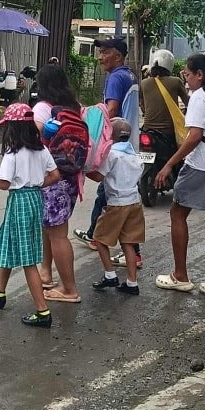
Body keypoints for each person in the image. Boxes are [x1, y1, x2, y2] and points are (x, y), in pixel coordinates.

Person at [154, 53, 205, 301]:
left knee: (178, 214)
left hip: (202, 164)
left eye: (187, 74)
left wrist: (169, 164)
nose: (186, 79)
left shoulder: (200, 97)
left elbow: (194, 136)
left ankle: (180, 275)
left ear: (200, 75)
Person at [0, 102, 60, 328]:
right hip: (34, 199)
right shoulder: (41, 149)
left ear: (13, 129)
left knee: (28, 260)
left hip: (19, 200)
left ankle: (42, 311)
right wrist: (37, 184)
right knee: (9, 244)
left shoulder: (12, 154)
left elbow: (4, 183)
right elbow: (55, 175)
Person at [73, 37, 141, 262]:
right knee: (110, 193)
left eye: (105, 53)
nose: (100, 57)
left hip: (117, 143)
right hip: (129, 141)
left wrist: (91, 138)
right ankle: (95, 234)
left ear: (118, 56)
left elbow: (110, 111)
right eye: (100, 53)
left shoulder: (115, 77)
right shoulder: (130, 75)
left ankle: (130, 251)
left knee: (111, 194)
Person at [32, 64, 81, 304]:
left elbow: (33, 141)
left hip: (51, 178)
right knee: (51, 229)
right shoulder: (74, 108)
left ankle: (69, 289)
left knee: (58, 235)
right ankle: (46, 273)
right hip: (70, 177)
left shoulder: (42, 108)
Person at [87, 118, 145, 295]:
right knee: (128, 242)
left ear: (110, 135)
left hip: (117, 204)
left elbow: (99, 176)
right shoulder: (135, 155)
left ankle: (110, 275)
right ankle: (132, 282)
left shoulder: (111, 155)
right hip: (134, 202)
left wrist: (82, 170)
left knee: (99, 238)